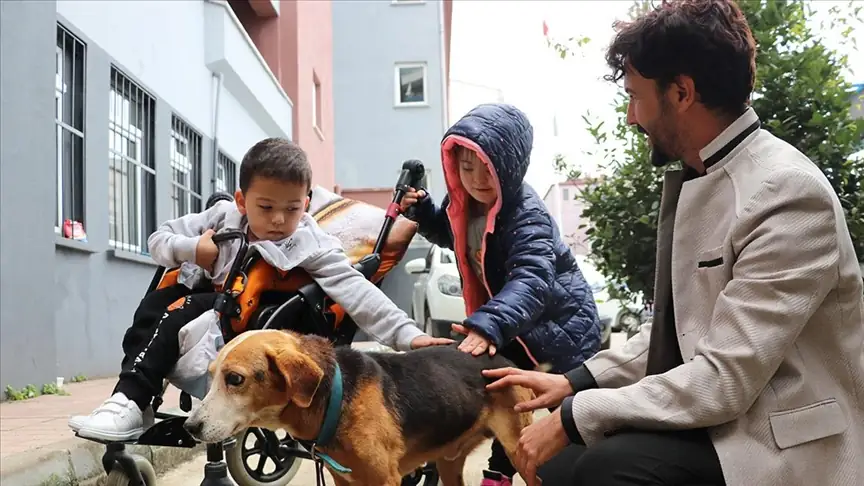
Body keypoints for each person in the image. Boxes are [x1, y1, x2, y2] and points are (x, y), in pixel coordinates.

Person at [483, 1, 864, 485]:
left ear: (682, 92)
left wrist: (577, 413)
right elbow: (684, 333)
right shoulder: (710, 176)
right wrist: (575, 382)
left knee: (606, 468)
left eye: (635, 96)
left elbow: (724, 379)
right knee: (564, 464)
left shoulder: (784, 192)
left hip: (782, 440)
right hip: (728, 421)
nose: (629, 117)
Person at [69, 138, 452, 442]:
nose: (279, 220)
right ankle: (132, 399)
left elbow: (357, 291)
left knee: (179, 308)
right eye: (266, 207)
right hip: (212, 304)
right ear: (241, 200)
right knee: (161, 302)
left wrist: (408, 335)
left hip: (256, 325)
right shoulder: (222, 218)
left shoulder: (310, 243)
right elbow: (158, 239)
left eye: (292, 208)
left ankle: (132, 398)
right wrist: (193, 250)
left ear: (306, 203)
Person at [401, 102, 603, 486]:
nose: (477, 178)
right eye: (466, 167)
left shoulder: (527, 215)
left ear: (508, 168)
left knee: (571, 411)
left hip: (558, 328)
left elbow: (532, 279)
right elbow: (451, 235)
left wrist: (489, 324)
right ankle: (499, 472)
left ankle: (595, 463)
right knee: (504, 392)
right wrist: (425, 213)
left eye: (487, 168)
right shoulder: (464, 207)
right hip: (514, 327)